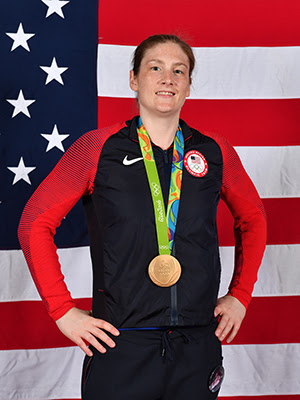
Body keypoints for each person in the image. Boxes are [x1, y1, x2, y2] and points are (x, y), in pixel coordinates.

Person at [18, 34, 267, 399]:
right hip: (120, 343)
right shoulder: (95, 149)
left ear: (188, 85)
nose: (167, 78)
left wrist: (240, 295)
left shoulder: (214, 151)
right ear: (134, 79)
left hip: (197, 343)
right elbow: (34, 222)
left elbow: (254, 218)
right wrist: (62, 311)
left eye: (178, 70)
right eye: (155, 68)